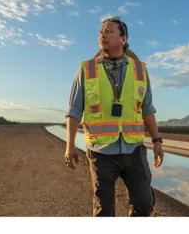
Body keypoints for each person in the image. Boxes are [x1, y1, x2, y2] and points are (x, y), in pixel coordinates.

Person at [64, 16, 164, 217]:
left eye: (109, 31)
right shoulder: (87, 69)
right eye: (101, 31)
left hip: (134, 150)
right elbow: (74, 110)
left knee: (144, 204)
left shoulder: (140, 70)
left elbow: (147, 109)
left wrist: (157, 141)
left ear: (123, 38)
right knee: (104, 212)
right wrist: (70, 144)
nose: (102, 34)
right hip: (100, 152)